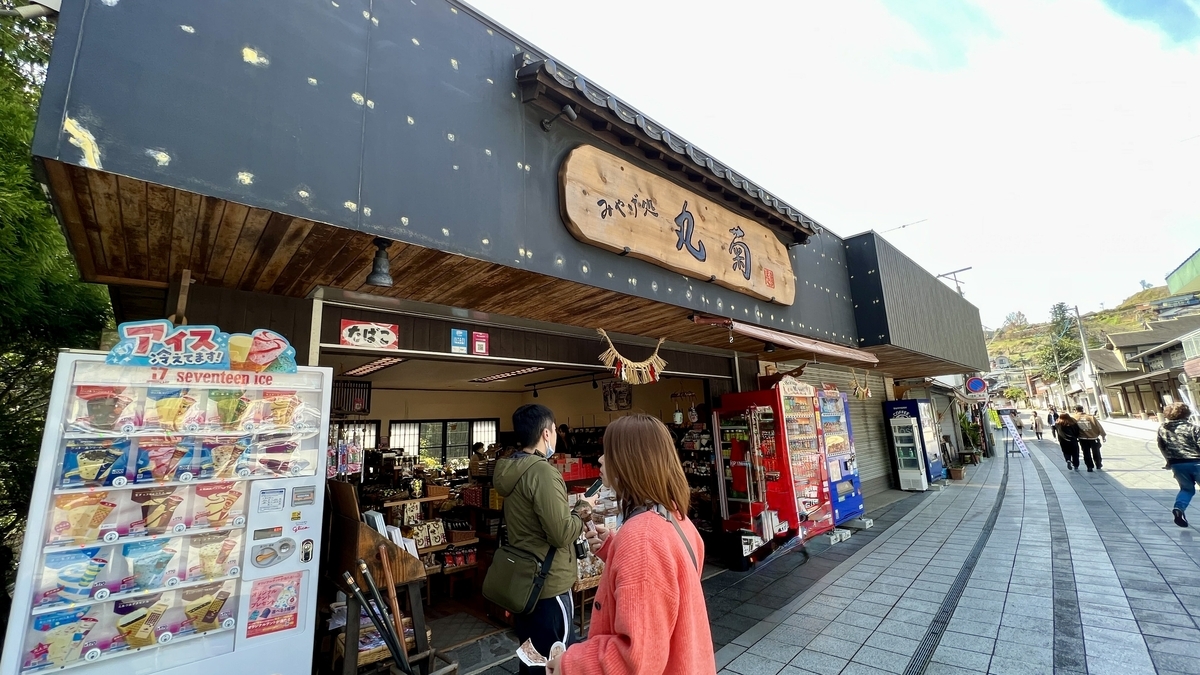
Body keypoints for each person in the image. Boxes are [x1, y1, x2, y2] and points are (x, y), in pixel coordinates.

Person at [546, 414, 713, 675]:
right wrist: (612, 547)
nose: (600, 459)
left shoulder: (642, 537)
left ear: (631, 461)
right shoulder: (675, 516)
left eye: (608, 452)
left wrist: (569, 664)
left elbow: (635, 659)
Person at [494, 404, 593, 674]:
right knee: (556, 659)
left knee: (531, 656)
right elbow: (560, 533)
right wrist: (581, 509)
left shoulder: (508, 469)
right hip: (549, 586)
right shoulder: (543, 472)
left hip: (524, 583)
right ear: (546, 433)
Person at [1157, 403, 1200, 528]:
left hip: (1177, 464)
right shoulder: (1193, 428)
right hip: (1197, 462)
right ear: (1186, 413)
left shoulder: (1163, 429)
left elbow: (1162, 446)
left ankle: (1178, 509)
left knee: (1186, 489)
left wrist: (1169, 461)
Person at [1074, 405, 1107, 472]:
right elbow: (1098, 426)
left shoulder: (1074, 418)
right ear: (1082, 409)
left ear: (1076, 410)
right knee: (1096, 452)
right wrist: (1103, 435)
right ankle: (1098, 464)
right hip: (1093, 438)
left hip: (1082, 438)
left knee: (1086, 453)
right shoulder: (1090, 417)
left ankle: (1089, 466)